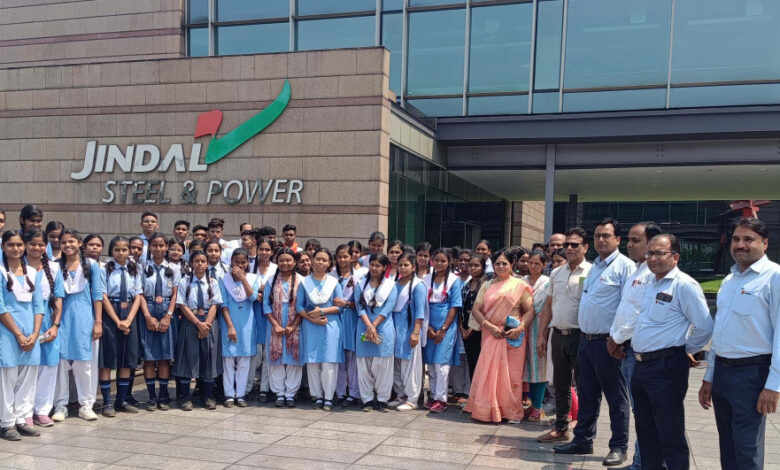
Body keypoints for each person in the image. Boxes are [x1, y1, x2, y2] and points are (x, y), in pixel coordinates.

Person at [698, 217, 780, 470]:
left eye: (748, 239)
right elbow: (721, 333)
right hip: (722, 371)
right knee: (728, 444)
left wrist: (773, 386)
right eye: (736, 239)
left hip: (752, 374)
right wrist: (709, 377)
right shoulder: (730, 281)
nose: (740, 245)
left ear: (765, 243)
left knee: (746, 448)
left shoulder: (774, 277)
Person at [554, 218, 636, 467]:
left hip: (610, 343)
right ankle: (583, 440)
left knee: (616, 397)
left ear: (618, 240)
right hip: (586, 340)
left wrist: (619, 338)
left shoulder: (625, 267)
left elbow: (630, 306)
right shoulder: (596, 267)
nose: (601, 239)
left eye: (607, 236)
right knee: (588, 394)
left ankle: (618, 446)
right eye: (598, 235)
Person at [631, 234, 713, 470]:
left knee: (670, 432)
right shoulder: (650, 283)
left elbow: (705, 326)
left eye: (659, 253)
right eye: (649, 253)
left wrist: (682, 349)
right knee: (646, 431)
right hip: (641, 365)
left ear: (675, 257)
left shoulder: (684, 285)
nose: (653, 258)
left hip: (666, 367)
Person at [607, 221, 662, 469]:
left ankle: (646, 464)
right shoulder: (637, 271)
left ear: (652, 243)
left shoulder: (653, 275)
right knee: (640, 411)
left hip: (644, 352)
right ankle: (642, 462)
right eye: (628, 239)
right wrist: (617, 337)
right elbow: (624, 309)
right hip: (628, 348)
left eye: (635, 240)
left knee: (647, 413)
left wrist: (616, 337)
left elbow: (640, 313)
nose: (629, 244)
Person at [464, 249, 534, 423]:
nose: (501, 266)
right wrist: (489, 326)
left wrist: (521, 327)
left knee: (511, 374)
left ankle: (511, 411)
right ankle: (487, 409)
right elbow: (476, 310)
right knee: (489, 372)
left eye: (504, 263)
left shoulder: (519, 285)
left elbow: (530, 310)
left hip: (512, 335)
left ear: (512, 265)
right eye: (497, 263)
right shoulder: (487, 285)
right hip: (490, 333)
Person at [536, 227, 591, 444]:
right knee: (560, 385)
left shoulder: (592, 272)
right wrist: (542, 335)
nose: (568, 248)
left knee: (584, 384)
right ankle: (560, 428)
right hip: (558, 334)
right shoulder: (556, 272)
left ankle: (584, 431)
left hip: (581, 336)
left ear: (585, 247)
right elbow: (549, 306)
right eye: (566, 244)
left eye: (574, 244)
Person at [54, 229, 105, 422]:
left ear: (80, 243)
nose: (68, 245)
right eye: (64, 242)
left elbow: (97, 295)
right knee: (61, 364)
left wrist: (98, 322)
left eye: (71, 241)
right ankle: (61, 404)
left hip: (84, 319)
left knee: (85, 364)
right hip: (61, 319)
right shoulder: (55, 266)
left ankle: (86, 404)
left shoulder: (91, 265)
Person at [0, 230, 44, 440]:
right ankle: (6, 422)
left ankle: (22, 418)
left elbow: (38, 306)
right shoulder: (0, 271)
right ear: (3, 247)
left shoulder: (33, 273)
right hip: (8, 333)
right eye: (10, 245)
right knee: (7, 377)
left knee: (28, 377)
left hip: (30, 333)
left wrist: (35, 333)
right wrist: (18, 334)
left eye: (19, 245)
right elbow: (0, 308)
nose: (15, 249)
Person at [173, 250, 222, 411]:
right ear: (191, 263)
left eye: (203, 261)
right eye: (197, 261)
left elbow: (215, 304)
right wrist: (197, 324)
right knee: (189, 358)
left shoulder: (213, 282)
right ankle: (186, 398)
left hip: (209, 322)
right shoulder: (185, 281)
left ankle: (208, 396)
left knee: (208, 358)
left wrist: (206, 325)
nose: (200, 264)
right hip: (190, 322)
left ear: (207, 264)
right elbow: (182, 304)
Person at [99, 236, 143, 416]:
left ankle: (122, 400)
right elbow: (102, 296)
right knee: (108, 359)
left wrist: (128, 320)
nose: (121, 253)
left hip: (130, 313)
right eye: (117, 249)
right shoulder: (105, 270)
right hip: (111, 312)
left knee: (127, 358)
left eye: (124, 249)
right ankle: (107, 402)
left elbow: (138, 295)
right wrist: (117, 321)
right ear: (111, 251)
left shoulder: (134, 269)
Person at [25, 230, 64, 427]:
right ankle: (24, 411)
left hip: (48, 322)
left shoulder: (54, 268)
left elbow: (58, 298)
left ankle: (42, 410)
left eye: (41, 244)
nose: (37, 248)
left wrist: (56, 326)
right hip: (25, 321)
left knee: (48, 366)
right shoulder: (15, 267)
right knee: (27, 368)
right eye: (32, 244)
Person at [296, 248, 344, 411]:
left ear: (329, 263)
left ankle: (329, 397)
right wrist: (312, 319)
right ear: (312, 260)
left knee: (329, 361)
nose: (321, 262)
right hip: (311, 325)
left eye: (324, 260)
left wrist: (322, 311)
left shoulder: (333, 282)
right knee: (313, 361)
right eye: (318, 259)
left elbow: (340, 307)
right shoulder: (304, 282)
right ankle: (317, 396)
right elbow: (299, 306)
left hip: (330, 326)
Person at [138, 233, 180, 411]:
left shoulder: (173, 268)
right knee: (149, 359)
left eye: (162, 245)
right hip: (147, 309)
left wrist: (168, 316)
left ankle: (163, 395)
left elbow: (176, 294)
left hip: (166, 311)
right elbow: (138, 293)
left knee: (164, 358)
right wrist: (148, 317)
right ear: (150, 247)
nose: (158, 249)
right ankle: (151, 396)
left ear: (167, 248)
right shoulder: (142, 267)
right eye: (154, 245)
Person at [354, 253, 398, 412]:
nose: (374, 268)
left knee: (383, 364)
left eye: (378, 265)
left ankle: (382, 399)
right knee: (364, 364)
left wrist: (374, 326)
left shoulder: (391, 286)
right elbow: (360, 307)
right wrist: (369, 325)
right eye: (372, 264)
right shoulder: (360, 284)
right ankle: (366, 399)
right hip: (364, 326)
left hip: (383, 327)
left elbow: (388, 308)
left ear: (385, 267)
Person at [422, 248, 463, 413]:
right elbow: (422, 305)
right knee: (431, 363)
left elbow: (454, 306)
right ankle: (432, 395)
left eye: (443, 261)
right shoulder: (425, 279)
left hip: (446, 325)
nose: (439, 264)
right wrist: (428, 327)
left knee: (441, 364)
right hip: (429, 324)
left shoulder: (454, 281)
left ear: (450, 262)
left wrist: (443, 329)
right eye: (436, 260)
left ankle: (441, 399)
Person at [218, 248, 259, 408]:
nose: (240, 265)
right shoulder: (223, 279)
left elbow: (253, 296)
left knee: (244, 360)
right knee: (228, 359)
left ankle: (240, 394)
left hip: (247, 324)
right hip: (229, 321)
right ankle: (229, 394)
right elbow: (224, 304)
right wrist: (230, 326)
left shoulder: (252, 278)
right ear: (231, 262)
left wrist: (243, 279)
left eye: (243, 262)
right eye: (237, 262)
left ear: (248, 263)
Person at [263, 248, 303, 407]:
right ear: (276, 261)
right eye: (281, 260)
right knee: (277, 358)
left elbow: (303, 306)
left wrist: (293, 325)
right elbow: (266, 305)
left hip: (296, 323)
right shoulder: (271, 280)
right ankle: (279, 393)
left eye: (288, 260)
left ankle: (291, 394)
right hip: (275, 323)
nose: (285, 263)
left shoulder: (302, 280)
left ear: (294, 262)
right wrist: (275, 325)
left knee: (293, 358)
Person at [389, 252, 426, 411]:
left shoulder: (418, 286)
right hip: (395, 330)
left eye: (406, 265)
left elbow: (420, 312)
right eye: (400, 265)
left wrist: (416, 332)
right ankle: (401, 394)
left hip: (409, 329)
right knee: (396, 363)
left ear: (413, 267)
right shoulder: (395, 284)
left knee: (410, 365)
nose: (403, 268)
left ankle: (412, 398)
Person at [523, 250, 551, 422]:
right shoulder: (521, 281)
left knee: (539, 367)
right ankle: (531, 404)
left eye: (537, 264)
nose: (533, 266)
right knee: (525, 367)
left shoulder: (548, 283)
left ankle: (538, 406)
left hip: (540, 327)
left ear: (544, 265)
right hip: (523, 327)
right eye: (530, 263)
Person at [333, 244, 362, 407]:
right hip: (334, 320)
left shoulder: (359, 278)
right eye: (340, 257)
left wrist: (346, 304)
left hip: (351, 319)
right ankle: (340, 392)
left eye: (346, 256)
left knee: (352, 357)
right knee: (338, 357)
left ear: (352, 258)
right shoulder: (330, 276)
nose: (343, 260)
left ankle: (353, 393)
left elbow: (361, 304)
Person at [249, 237, 277, 402]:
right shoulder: (250, 266)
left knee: (269, 353)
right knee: (255, 353)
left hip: (270, 314)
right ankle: (249, 385)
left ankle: (265, 389)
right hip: (253, 313)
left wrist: (263, 291)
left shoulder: (276, 268)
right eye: (261, 249)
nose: (264, 253)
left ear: (272, 252)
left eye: (267, 250)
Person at [460, 253, 486, 382]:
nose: (473, 268)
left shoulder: (486, 285)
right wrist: (462, 328)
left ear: (483, 267)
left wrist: (473, 327)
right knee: (471, 363)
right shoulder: (465, 285)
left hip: (480, 330)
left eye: (476, 265)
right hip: (465, 329)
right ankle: (473, 396)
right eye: (470, 265)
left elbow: (485, 310)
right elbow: (461, 308)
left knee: (480, 363)